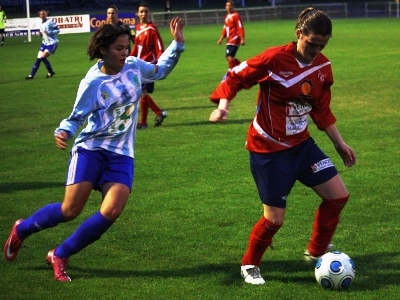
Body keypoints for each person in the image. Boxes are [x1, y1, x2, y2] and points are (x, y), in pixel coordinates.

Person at [4, 17, 185, 281]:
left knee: (112, 211)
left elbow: (159, 71)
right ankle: (22, 228)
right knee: (70, 211)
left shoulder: (134, 67)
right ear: (103, 50)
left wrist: (177, 45)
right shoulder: (92, 83)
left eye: (127, 47)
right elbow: (77, 116)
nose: (125, 53)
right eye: (119, 48)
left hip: (122, 153)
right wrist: (63, 130)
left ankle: (60, 254)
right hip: (91, 149)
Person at [209, 7, 356, 285]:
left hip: (301, 145)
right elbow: (236, 76)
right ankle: (249, 264)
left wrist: (340, 144)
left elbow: (321, 110)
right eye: (312, 44)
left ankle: (316, 252)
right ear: (299, 33)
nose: (316, 50)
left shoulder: (323, 68)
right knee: (274, 219)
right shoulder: (273, 59)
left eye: (322, 46)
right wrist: (223, 106)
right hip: (268, 150)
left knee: (338, 195)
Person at [130, 3, 167, 129]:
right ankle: (159, 112)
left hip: (149, 66)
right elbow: (136, 47)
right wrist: (128, 58)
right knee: (140, 92)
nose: (144, 14)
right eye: (142, 11)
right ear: (138, 14)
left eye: (146, 11)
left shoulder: (152, 29)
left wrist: (158, 64)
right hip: (138, 65)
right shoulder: (139, 27)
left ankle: (143, 123)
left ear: (149, 13)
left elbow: (159, 47)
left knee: (142, 92)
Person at [25, 10, 59, 79]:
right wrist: (40, 34)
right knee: (38, 59)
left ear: (46, 15)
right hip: (45, 42)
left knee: (43, 57)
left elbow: (57, 30)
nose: (42, 15)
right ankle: (31, 75)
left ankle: (51, 72)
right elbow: (43, 34)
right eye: (41, 14)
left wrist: (49, 32)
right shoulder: (41, 23)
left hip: (52, 43)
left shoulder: (50, 22)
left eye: (44, 14)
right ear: (39, 16)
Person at [217, 0, 245, 69]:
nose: (228, 7)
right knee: (229, 57)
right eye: (227, 5)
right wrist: (221, 39)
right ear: (225, 7)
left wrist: (242, 38)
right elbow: (225, 28)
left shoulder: (236, 15)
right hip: (229, 39)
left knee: (229, 56)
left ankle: (232, 71)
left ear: (233, 7)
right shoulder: (227, 16)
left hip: (235, 38)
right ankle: (240, 68)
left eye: (230, 5)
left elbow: (240, 26)